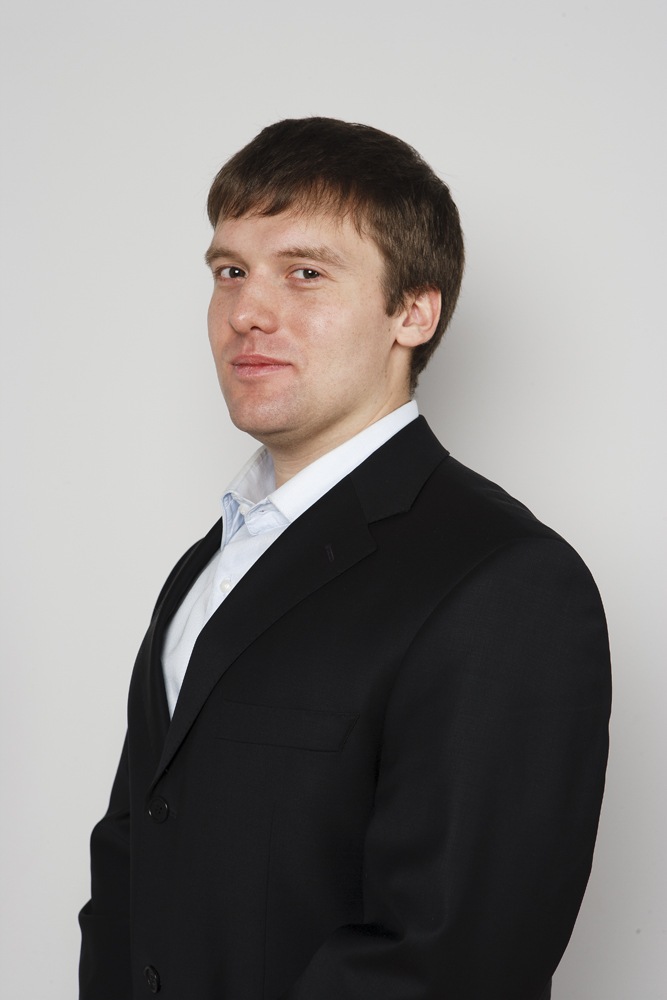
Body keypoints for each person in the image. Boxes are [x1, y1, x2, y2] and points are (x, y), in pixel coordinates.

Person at [79, 117, 611, 1000]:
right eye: (229, 271)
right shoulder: (207, 566)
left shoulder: (506, 581)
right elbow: (134, 860)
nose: (246, 311)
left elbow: (450, 961)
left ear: (413, 312)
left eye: (305, 273)